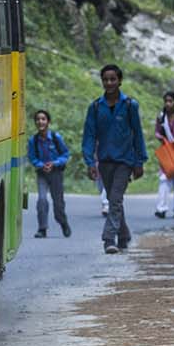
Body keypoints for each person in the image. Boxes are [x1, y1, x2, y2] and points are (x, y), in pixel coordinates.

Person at [83, 64, 145, 253]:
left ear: (120, 81)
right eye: (105, 79)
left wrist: (139, 161)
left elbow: (138, 134)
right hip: (105, 161)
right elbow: (89, 135)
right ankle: (124, 234)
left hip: (125, 161)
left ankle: (108, 239)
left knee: (115, 200)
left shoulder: (130, 105)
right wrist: (89, 162)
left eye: (113, 79)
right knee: (113, 199)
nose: (109, 83)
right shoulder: (95, 107)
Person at [28, 109, 73, 239]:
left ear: (48, 122)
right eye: (38, 119)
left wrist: (54, 163)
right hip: (42, 174)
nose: (40, 122)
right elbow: (32, 157)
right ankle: (42, 228)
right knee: (42, 200)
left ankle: (63, 222)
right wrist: (41, 165)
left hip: (56, 173)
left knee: (58, 202)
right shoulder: (33, 140)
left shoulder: (55, 137)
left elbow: (65, 154)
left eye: (43, 119)